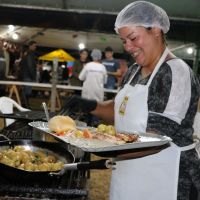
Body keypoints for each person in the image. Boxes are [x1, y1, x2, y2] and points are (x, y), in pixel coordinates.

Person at [62, 1, 200, 200]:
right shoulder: (133, 71)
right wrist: (90, 105)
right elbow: (121, 110)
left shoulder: (174, 72)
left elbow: (157, 139)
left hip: (165, 177)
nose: (128, 47)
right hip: (128, 171)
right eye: (123, 40)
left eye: (133, 38)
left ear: (156, 30)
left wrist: (102, 148)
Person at [19, 41, 37, 106]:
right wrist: (33, 76)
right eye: (34, 46)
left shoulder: (26, 53)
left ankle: (24, 104)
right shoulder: (30, 53)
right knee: (27, 91)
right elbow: (30, 66)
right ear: (30, 46)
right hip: (28, 76)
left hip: (25, 75)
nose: (35, 47)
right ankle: (25, 104)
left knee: (25, 90)